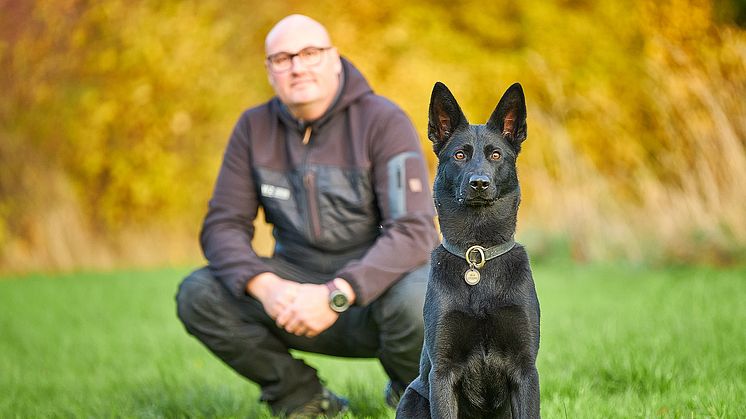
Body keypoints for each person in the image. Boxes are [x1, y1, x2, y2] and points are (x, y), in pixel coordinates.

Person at [175, 14, 439, 418]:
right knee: (199, 293)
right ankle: (304, 399)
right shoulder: (252, 129)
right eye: (282, 59)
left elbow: (415, 232)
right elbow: (222, 226)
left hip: (376, 291)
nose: (297, 66)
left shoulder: (383, 121)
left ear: (335, 58)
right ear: (269, 71)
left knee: (420, 297)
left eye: (310, 53)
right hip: (292, 292)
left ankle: (413, 392)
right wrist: (266, 288)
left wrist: (338, 293)